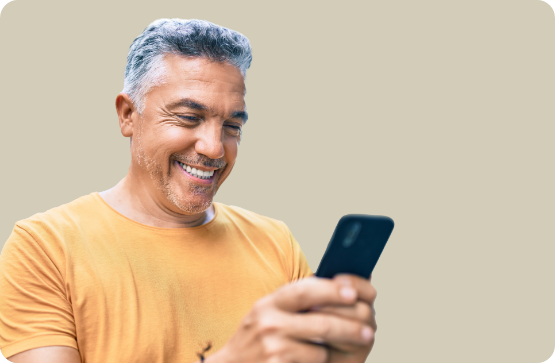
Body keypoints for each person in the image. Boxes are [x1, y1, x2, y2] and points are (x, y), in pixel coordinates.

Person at [0, 19, 377, 363]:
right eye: (189, 118)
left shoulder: (275, 242)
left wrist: (340, 356)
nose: (214, 148)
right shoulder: (44, 247)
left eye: (232, 125)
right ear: (128, 115)